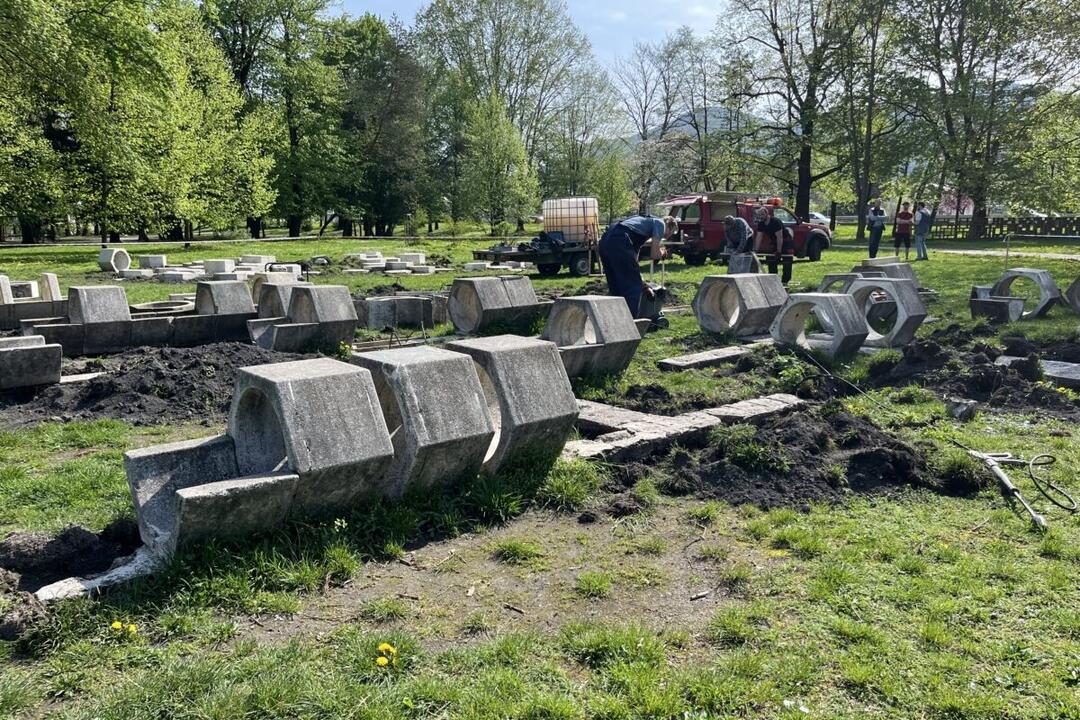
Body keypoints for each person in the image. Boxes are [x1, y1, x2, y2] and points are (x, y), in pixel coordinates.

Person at [598, 214, 678, 318]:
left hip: (606, 241)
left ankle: (615, 321)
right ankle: (630, 325)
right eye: (671, 232)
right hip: (620, 240)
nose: (668, 236)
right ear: (669, 226)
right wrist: (662, 253)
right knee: (633, 287)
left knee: (616, 287)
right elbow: (654, 254)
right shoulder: (660, 223)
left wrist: (640, 277)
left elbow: (634, 256)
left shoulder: (641, 224)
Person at [754, 206, 793, 284]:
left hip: (786, 242)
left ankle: (785, 281)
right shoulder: (761, 224)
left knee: (787, 262)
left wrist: (779, 251)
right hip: (774, 242)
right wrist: (755, 250)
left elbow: (780, 237)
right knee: (771, 260)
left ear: (766, 213)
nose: (760, 217)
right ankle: (774, 280)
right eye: (759, 215)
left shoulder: (775, 222)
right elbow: (759, 237)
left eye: (762, 215)